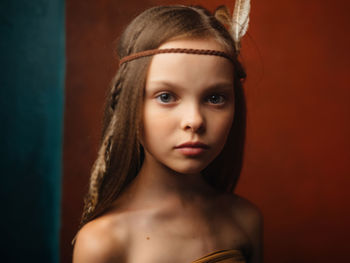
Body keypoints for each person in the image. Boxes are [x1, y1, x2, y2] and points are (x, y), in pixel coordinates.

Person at [73, 3, 262, 263]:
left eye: (215, 98)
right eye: (166, 96)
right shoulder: (103, 241)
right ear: (131, 104)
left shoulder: (244, 220)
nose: (194, 120)